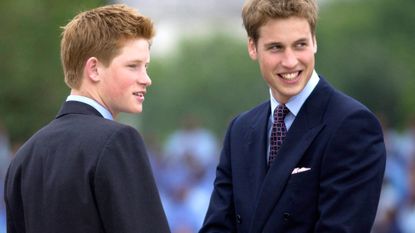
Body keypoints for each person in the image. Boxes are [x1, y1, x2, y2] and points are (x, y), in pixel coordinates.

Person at [199, 0, 386, 232]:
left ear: (315, 42)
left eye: (300, 45)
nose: (289, 61)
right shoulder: (240, 129)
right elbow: (217, 227)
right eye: (276, 47)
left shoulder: (353, 125)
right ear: (252, 47)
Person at [4, 4, 170, 233]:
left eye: (146, 66)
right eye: (133, 66)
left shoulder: (24, 156)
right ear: (93, 69)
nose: (146, 79)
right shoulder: (118, 140)